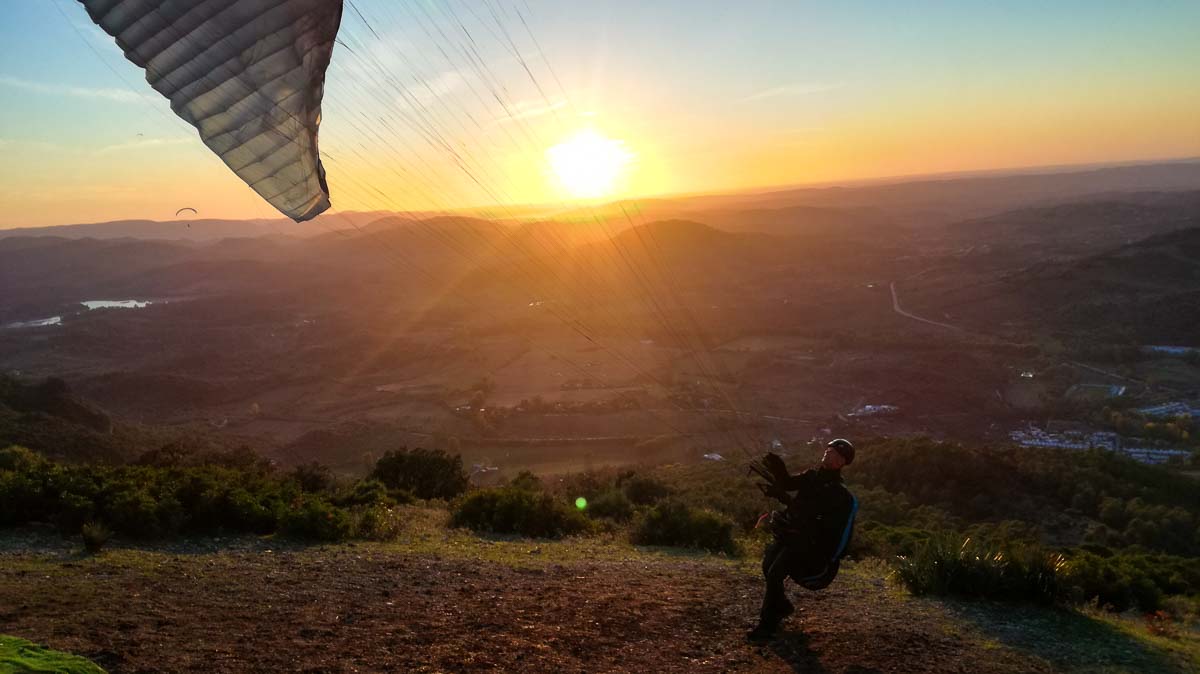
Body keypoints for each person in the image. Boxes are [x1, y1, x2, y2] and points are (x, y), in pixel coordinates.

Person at [748, 438, 858, 641]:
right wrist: (778, 466)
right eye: (828, 449)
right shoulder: (811, 476)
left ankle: (766, 626)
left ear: (842, 462)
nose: (828, 453)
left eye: (835, 453)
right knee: (767, 566)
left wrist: (787, 500)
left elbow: (819, 519)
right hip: (790, 533)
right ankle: (782, 605)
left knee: (775, 574)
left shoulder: (838, 493)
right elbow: (788, 483)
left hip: (806, 544)